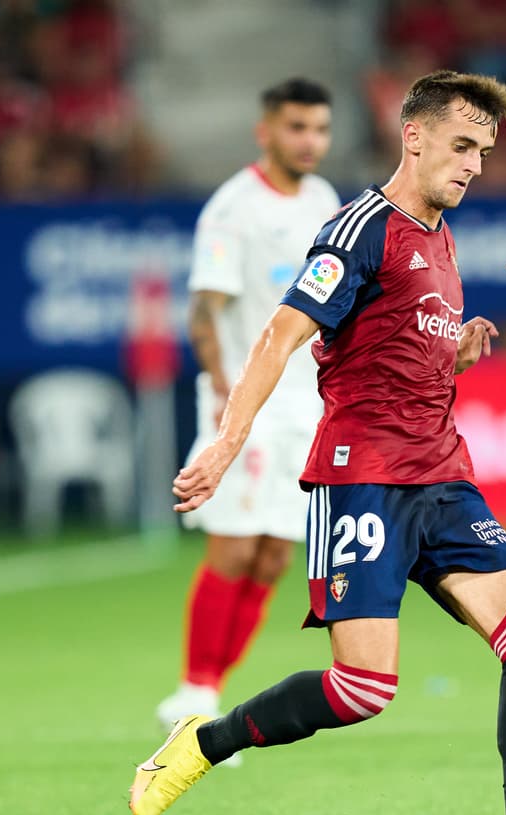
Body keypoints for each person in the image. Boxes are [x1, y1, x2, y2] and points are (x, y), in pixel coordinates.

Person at [129, 70, 506, 815]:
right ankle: (203, 739)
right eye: (461, 144)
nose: (476, 163)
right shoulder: (359, 228)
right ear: (413, 136)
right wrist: (227, 442)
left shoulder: (441, 235)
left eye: (484, 149)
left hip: (442, 474)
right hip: (363, 478)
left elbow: (397, 351)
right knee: (363, 688)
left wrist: (457, 351)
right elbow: (279, 335)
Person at [153, 78, 340, 740]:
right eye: (296, 128)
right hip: (247, 400)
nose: (310, 140)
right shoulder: (231, 209)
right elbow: (204, 307)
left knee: (273, 558)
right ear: (265, 132)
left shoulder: (324, 200)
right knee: (232, 548)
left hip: (305, 406)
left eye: (319, 128)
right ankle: (195, 692)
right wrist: (221, 386)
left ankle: (205, 693)